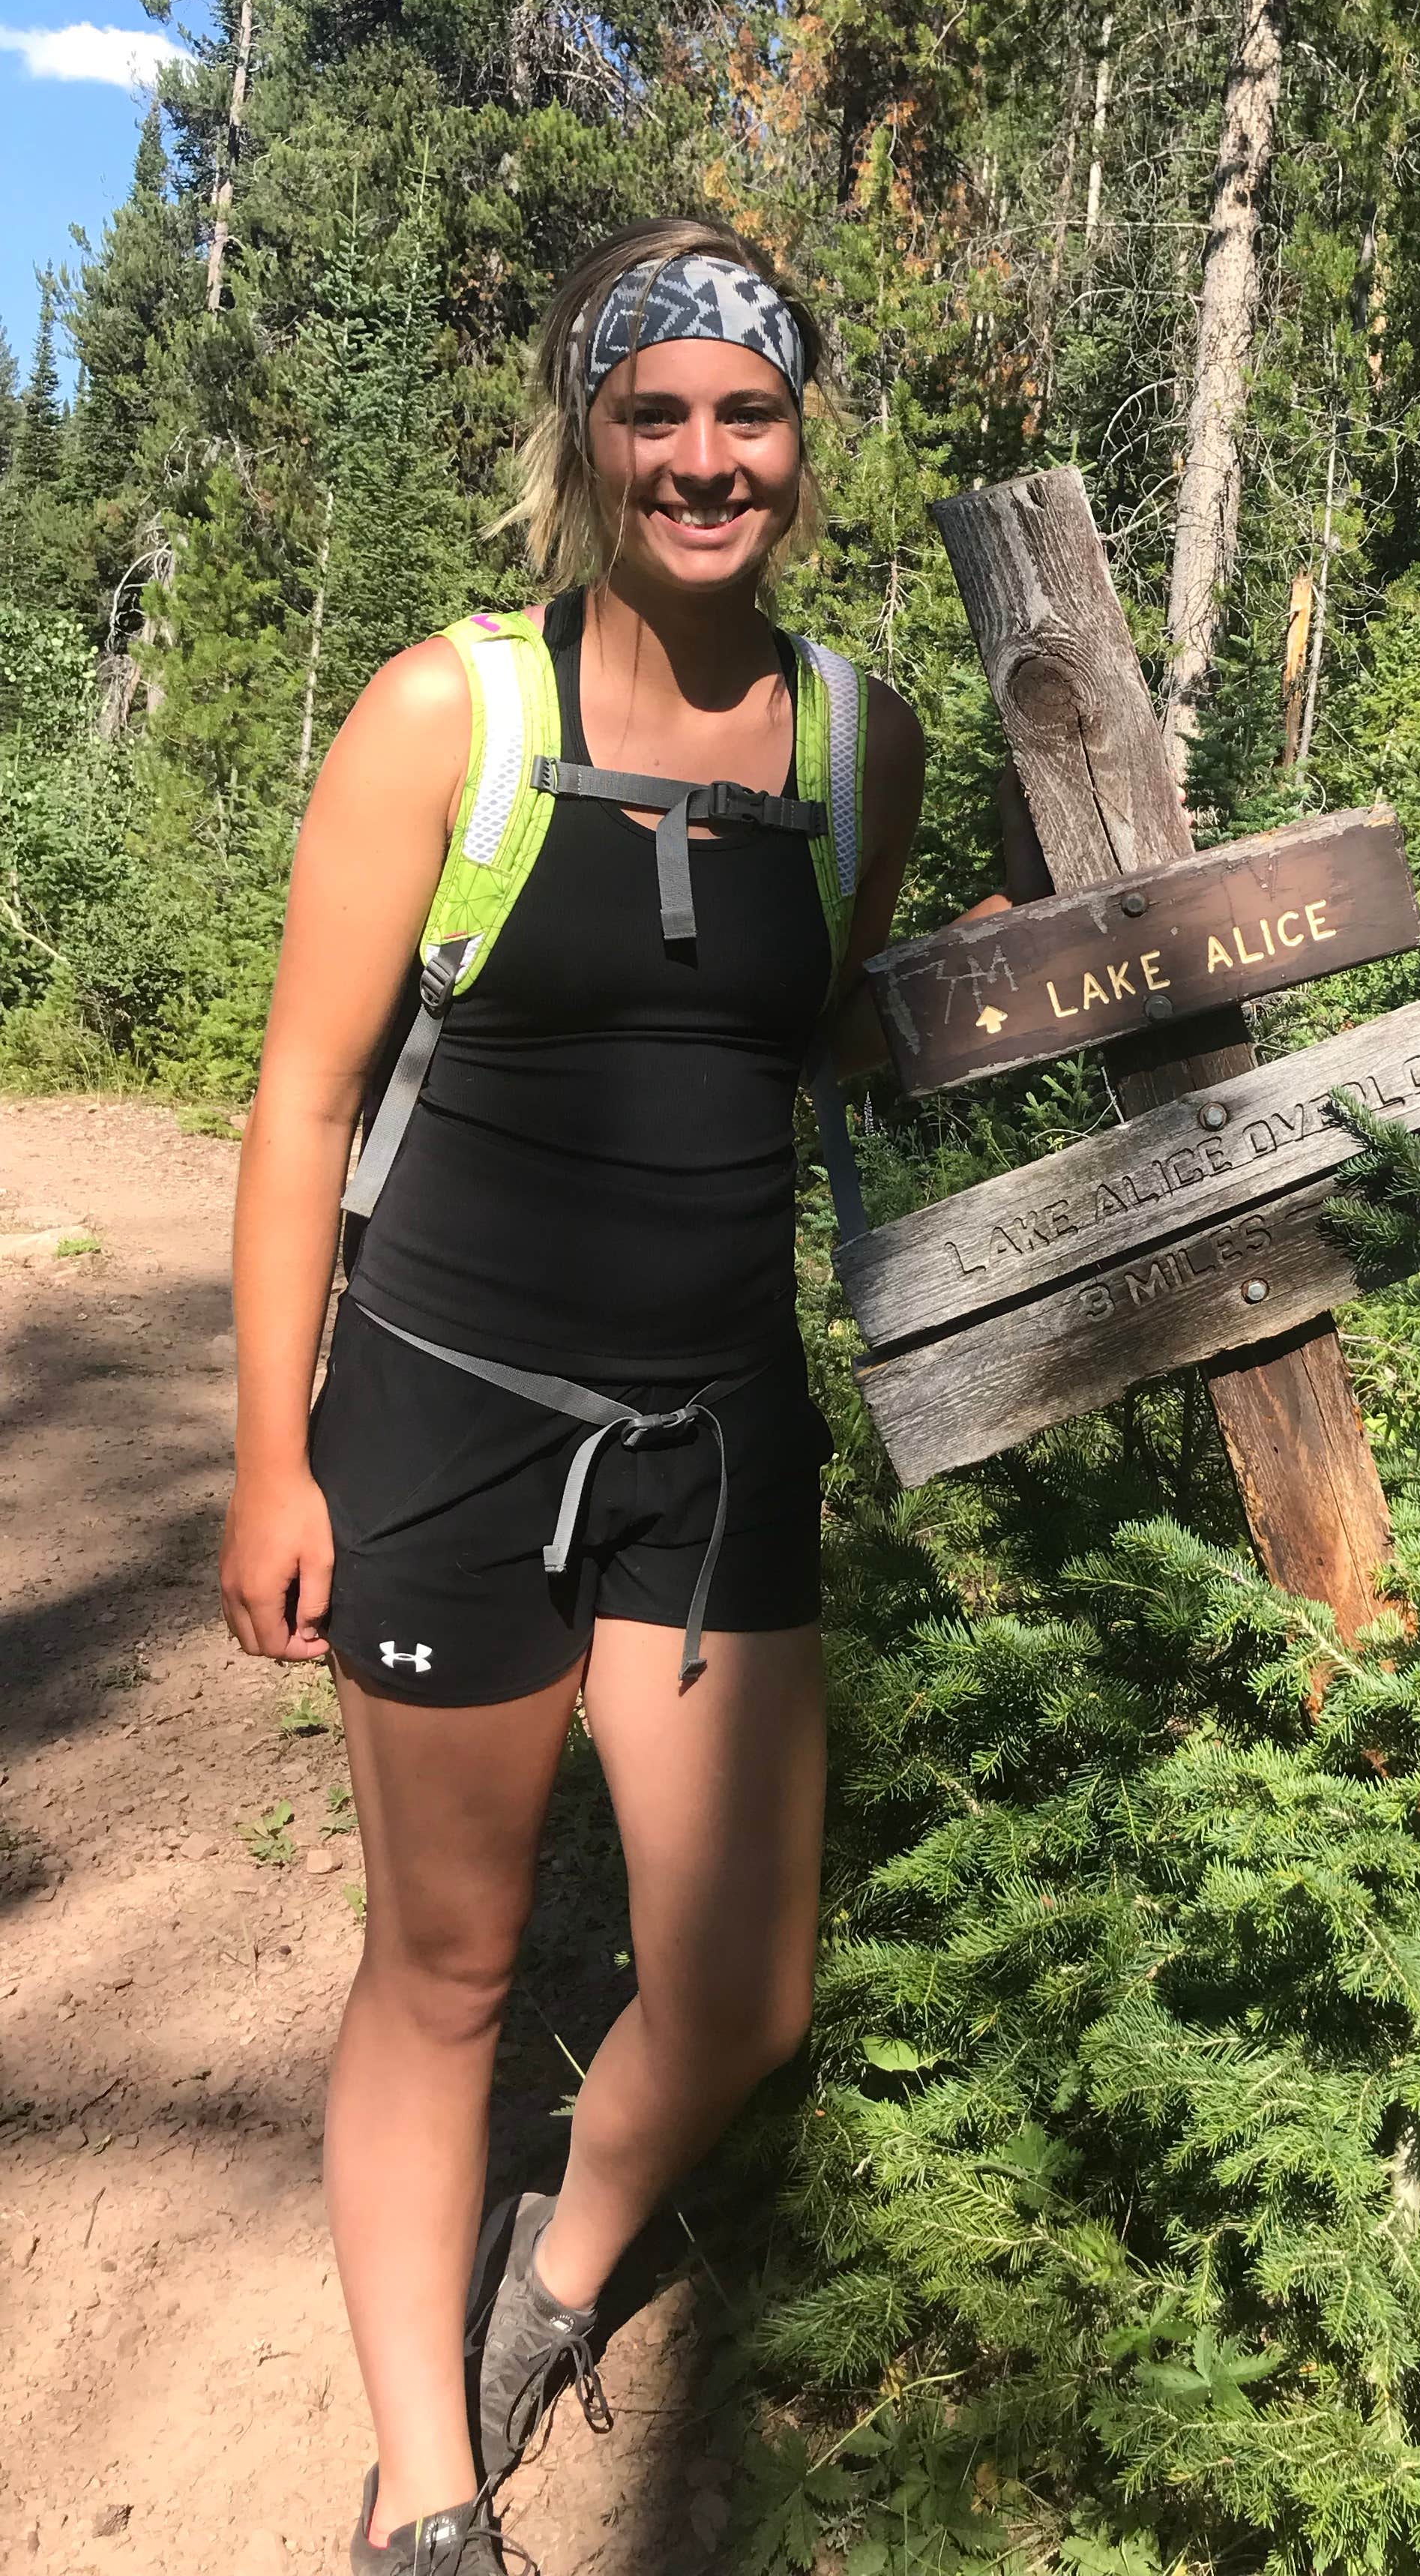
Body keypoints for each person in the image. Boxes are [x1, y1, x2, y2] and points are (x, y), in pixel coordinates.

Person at [220, 223, 927, 2575]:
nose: (706, 459)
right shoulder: (453, 713)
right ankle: (430, 2489)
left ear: (802, 449)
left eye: (749, 414)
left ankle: (542, 2281)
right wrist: (268, 1456)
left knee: (737, 1986)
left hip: (720, 1437)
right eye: (659, 415)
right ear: (588, 437)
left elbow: (817, 1026)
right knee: (447, 1962)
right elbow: (305, 1102)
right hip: (445, 1413)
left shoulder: (859, 742)